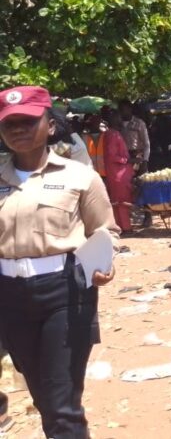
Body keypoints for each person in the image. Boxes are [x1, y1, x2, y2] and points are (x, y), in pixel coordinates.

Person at [0, 86, 119, 438]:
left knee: (61, 403)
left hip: (64, 293)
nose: (18, 130)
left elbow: (105, 230)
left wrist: (105, 263)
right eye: (9, 124)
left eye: (27, 122)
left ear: (50, 126)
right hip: (8, 297)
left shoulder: (79, 176)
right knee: (41, 396)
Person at [104, 109, 136, 235]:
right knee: (122, 201)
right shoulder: (113, 135)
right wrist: (127, 160)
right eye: (119, 118)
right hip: (118, 173)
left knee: (118, 202)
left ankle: (120, 227)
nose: (121, 120)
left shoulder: (111, 134)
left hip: (118, 172)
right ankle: (126, 228)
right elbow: (112, 156)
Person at [119, 99, 150, 171]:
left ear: (130, 109)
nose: (121, 112)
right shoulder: (117, 124)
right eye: (120, 109)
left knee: (139, 180)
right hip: (123, 159)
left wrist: (145, 161)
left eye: (123, 109)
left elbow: (146, 144)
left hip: (137, 158)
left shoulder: (139, 123)